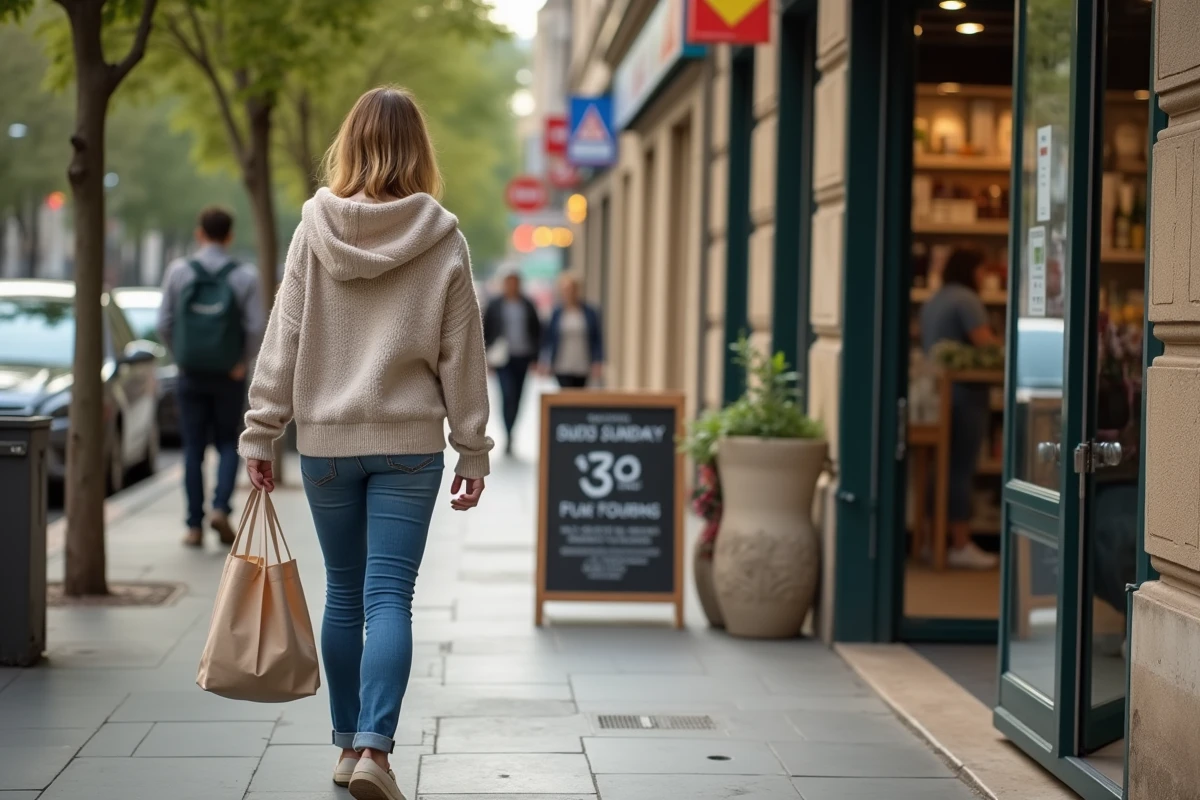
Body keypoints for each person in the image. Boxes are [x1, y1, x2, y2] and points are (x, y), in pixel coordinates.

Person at [239, 86, 490, 800]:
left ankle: (347, 747)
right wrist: (473, 450)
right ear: (421, 150)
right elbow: (461, 353)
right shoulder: (444, 237)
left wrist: (263, 431)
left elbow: (284, 337)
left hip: (325, 443)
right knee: (389, 598)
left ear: (348, 144)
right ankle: (377, 749)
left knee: (344, 591)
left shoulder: (312, 231)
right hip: (410, 443)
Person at [157, 206, 264, 548]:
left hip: (191, 373)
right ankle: (220, 507)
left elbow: (164, 323)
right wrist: (241, 361)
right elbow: (256, 326)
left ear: (199, 233)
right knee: (228, 442)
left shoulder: (178, 272)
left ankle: (193, 526)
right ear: (230, 236)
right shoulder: (244, 276)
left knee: (193, 448)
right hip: (228, 375)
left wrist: (182, 355)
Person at [919, 248, 1001, 570]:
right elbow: (986, 344)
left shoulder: (934, 300)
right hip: (966, 395)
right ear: (970, 270)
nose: (984, 277)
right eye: (982, 270)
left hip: (935, 396)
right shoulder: (967, 300)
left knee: (937, 469)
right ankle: (960, 542)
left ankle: (931, 539)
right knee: (960, 468)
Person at [483, 271, 541, 454]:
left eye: (515, 282)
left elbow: (537, 331)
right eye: (509, 282)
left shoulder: (527, 304)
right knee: (507, 395)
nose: (512, 286)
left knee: (518, 397)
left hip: (522, 357)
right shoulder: (495, 305)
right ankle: (507, 433)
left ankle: (512, 430)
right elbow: (484, 331)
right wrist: (486, 359)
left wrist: (536, 358)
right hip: (502, 360)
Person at [541, 271, 603, 388]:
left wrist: (598, 360)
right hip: (562, 363)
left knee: (578, 396)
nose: (569, 293)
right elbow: (549, 339)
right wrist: (545, 361)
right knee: (564, 393)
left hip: (582, 363)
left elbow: (596, 338)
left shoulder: (589, 312)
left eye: (572, 289)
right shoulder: (557, 313)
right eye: (566, 289)